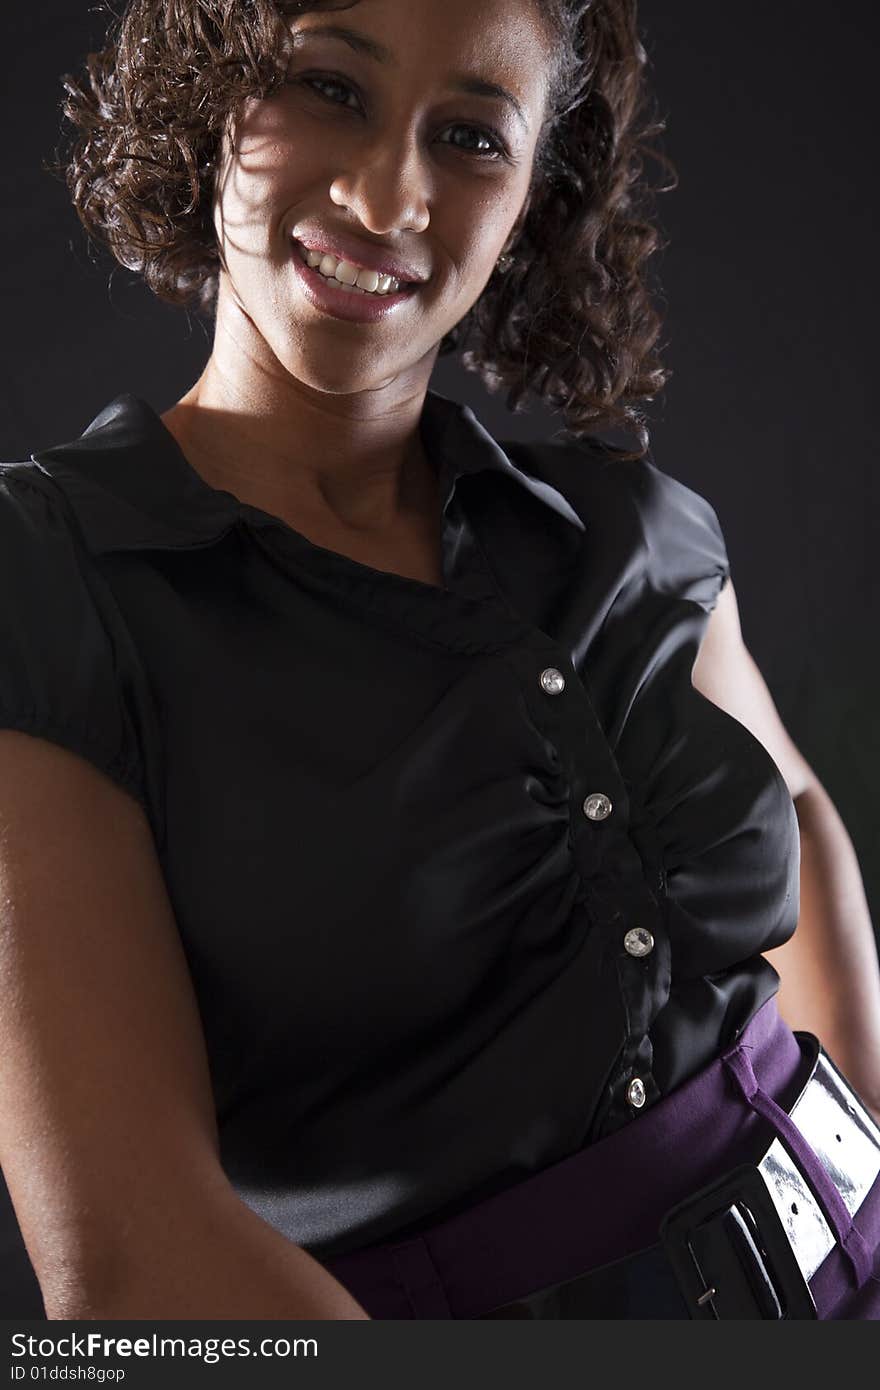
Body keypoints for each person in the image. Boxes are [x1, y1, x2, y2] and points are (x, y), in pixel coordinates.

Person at [1, 0, 879, 1321]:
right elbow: (134, 1264)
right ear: (211, 95)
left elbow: (802, 821)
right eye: (328, 89)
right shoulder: (48, 579)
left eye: (470, 136)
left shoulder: (630, 528)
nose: (386, 191)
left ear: (535, 195)